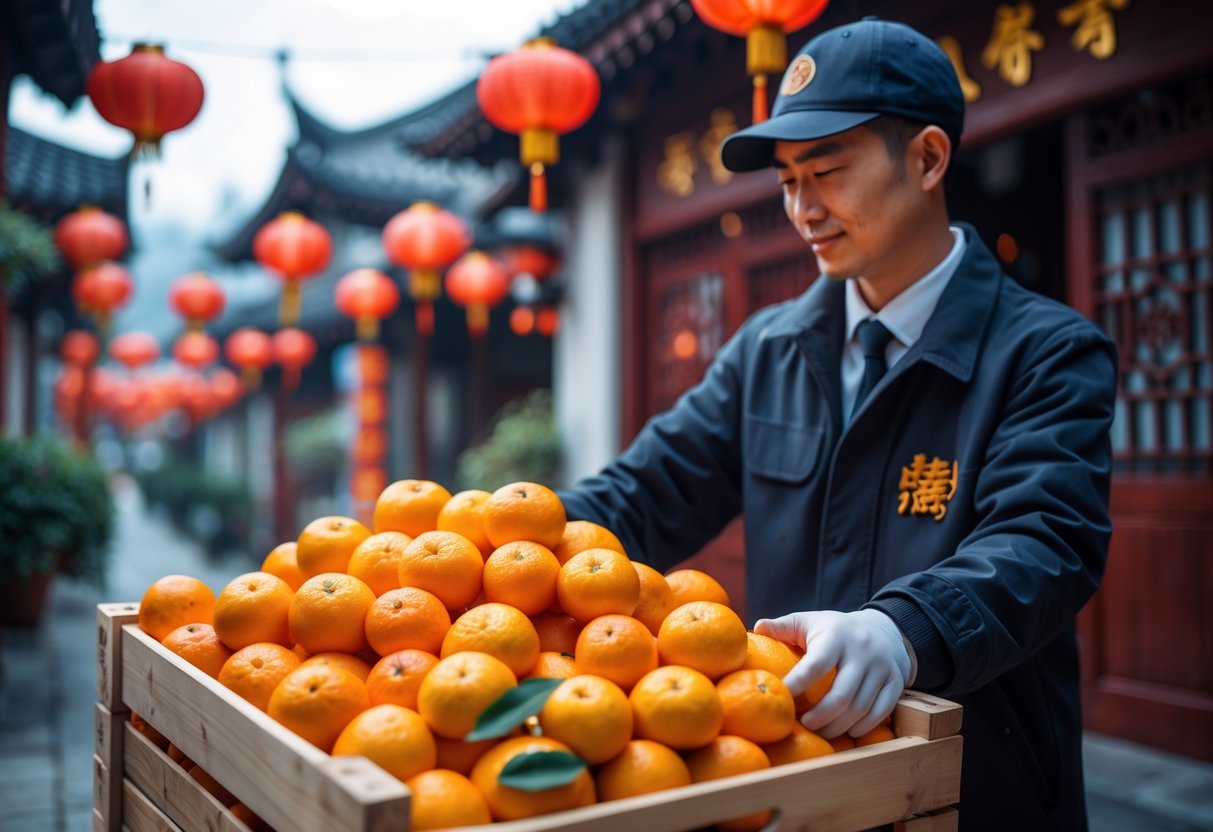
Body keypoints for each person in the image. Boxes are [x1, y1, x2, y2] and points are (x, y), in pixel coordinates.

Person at [559, 16, 1116, 831]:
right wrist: (509, 542)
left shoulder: (1045, 352)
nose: (800, 208)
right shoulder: (769, 349)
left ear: (926, 159)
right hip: (797, 780)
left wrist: (904, 630)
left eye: (825, 171)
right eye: (786, 180)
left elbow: (1044, 540)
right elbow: (644, 491)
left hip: (981, 788)